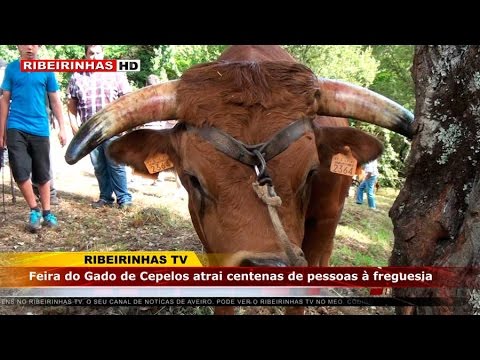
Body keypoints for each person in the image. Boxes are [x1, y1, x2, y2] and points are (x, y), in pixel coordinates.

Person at [0, 45, 67, 232]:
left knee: (43, 173)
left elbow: (55, 100)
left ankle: (47, 212)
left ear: (38, 47)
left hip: (40, 127)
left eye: (33, 44)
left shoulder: (47, 68)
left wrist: (62, 128)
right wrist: (1, 131)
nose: (29, 47)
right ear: (18, 46)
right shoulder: (12, 69)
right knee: (20, 171)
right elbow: (5, 99)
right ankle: (34, 210)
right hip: (16, 126)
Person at [67, 45, 132, 209]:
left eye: (98, 53)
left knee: (116, 164)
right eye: (91, 53)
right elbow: (71, 105)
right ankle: (105, 198)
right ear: (86, 55)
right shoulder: (77, 76)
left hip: (113, 127)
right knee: (99, 166)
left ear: (103, 54)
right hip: (89, 131)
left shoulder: (116, 73)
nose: (94, 57)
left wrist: (125, 124)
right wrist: (75, 129)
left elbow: (127, 101)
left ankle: (124, 199)